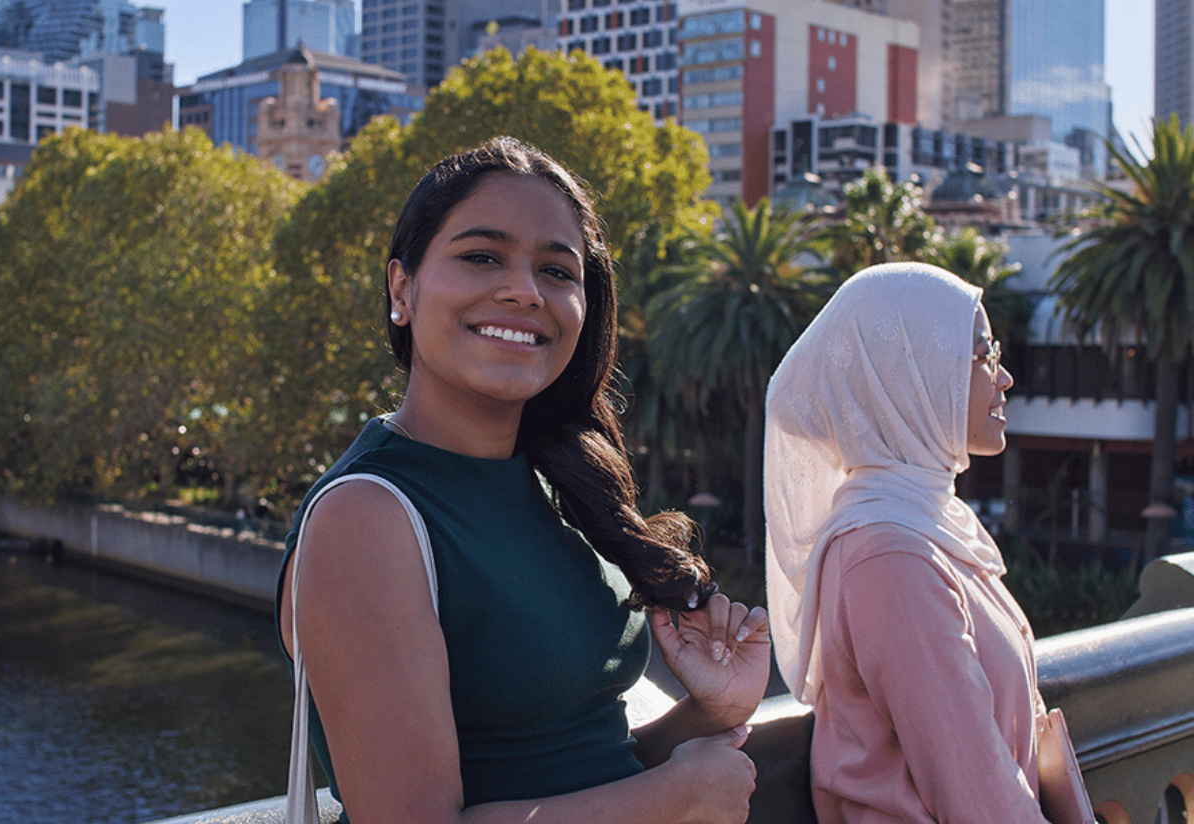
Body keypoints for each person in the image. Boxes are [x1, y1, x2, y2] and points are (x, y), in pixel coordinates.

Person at [275, 136, 771, 824]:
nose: (523, 291)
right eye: (481, 257)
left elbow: (579, 770)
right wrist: (674, 798)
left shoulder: (559, 488)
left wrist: (707, 712)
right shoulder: (365, 518)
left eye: (557, 272)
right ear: (401, 289)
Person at [764, 262, 1052, 824]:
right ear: (910, 373)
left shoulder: (925, 524)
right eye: (982, 353)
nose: (1003, 376)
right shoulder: (889, 555)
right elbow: (979, 802)